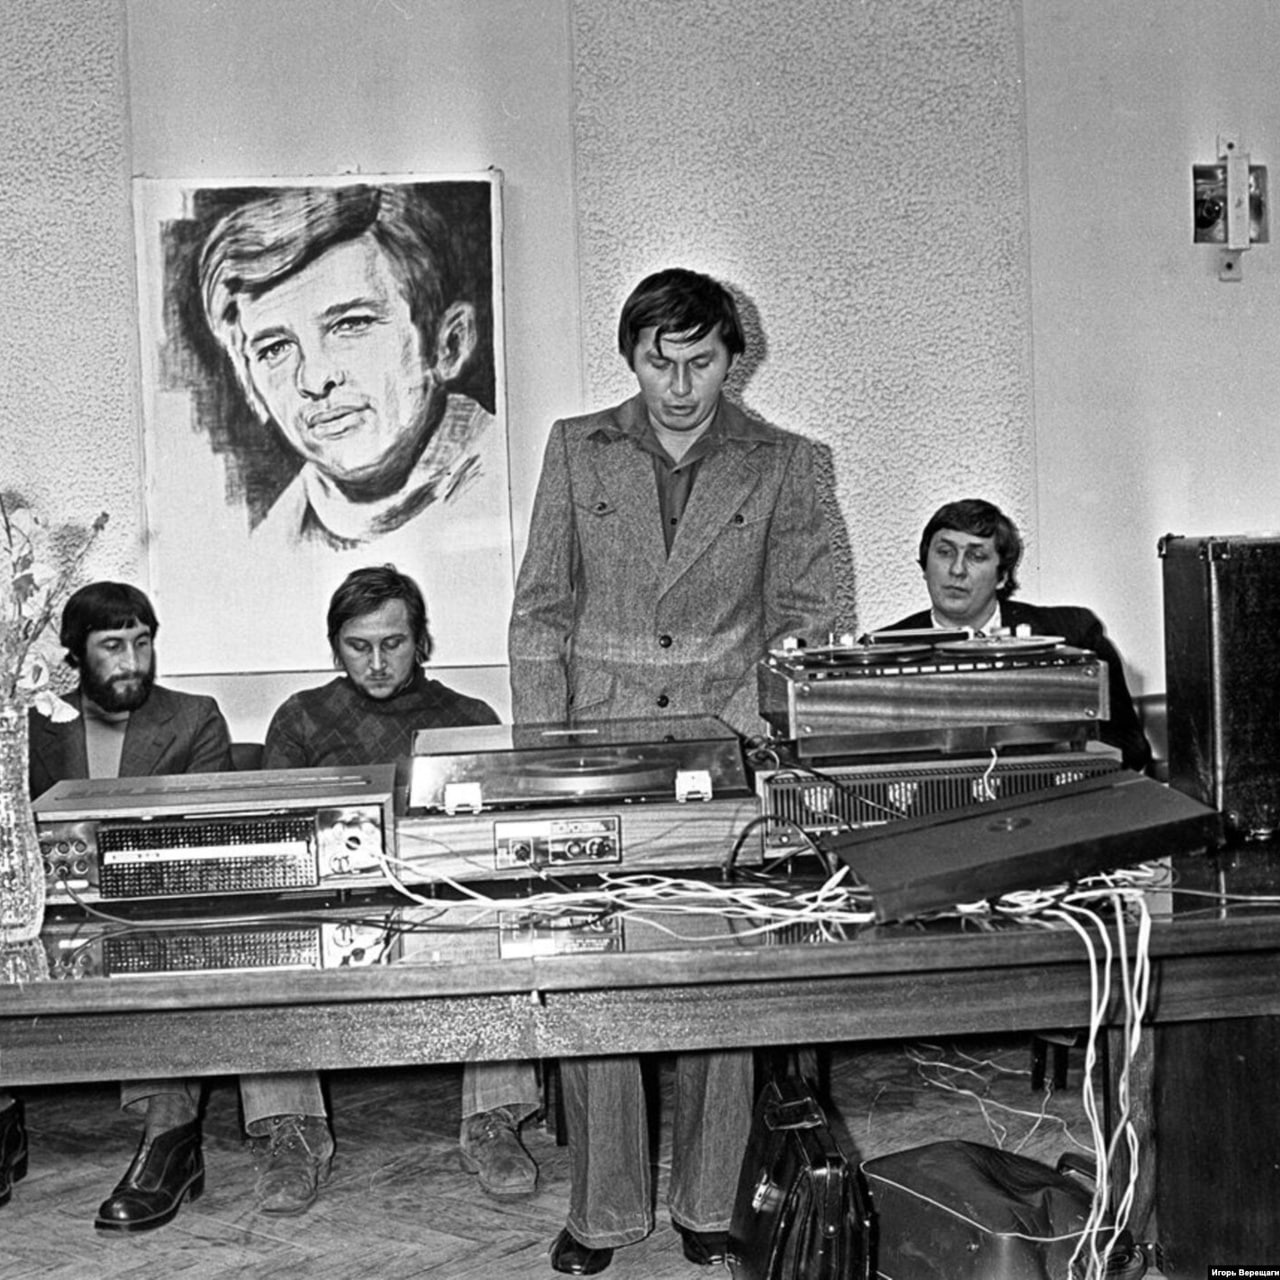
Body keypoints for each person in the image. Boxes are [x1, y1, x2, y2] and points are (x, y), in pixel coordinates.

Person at [508, 268, 837, 1274]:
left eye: (699, 361)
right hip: (594, 756)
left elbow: (809, 623)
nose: (678, 383)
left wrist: (746, 740)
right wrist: (540, 753)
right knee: (597, 975)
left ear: (734, 359)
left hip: (727, 754)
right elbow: (539, 612)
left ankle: (708, 1199)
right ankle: (603, 1211)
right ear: (631, 356)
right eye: (659, 360)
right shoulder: (575, 447)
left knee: (716, 986)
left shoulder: (790, 462)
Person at [261, 565, 544, 1201]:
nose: (378, 662)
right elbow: (279, 845)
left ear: (422, 642)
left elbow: (496, 843)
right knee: (268, 941)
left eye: (393, 643)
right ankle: (293, 1130)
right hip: (328, 909)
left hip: (444, 905)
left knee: (500, 930)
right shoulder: (301, 719)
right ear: (336, 646)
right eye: (359, 646)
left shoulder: (468, 717)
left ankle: (491, 1120)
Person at [17, 582, 232, 1232]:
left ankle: (170, 1139)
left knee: (176, 945)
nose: (133, 660)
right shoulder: (29, 727)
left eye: (143, 643)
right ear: (75, 655)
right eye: (113, 646)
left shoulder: (196, 718)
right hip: (47, 914)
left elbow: (206, 847)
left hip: (157, 910)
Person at [198, 183, 499, 553]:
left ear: (448, 344)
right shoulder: (258, 551)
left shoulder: (511, 483)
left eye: (351, 325)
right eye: (275, 348)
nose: (313, 379)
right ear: (250, 386)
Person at [880, 497, 1151, 772]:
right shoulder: (881, 650)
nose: (957, 570)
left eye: (976, 556)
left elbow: (1130, 748)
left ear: (1002, 576)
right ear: (925, 564)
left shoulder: (1074, 633)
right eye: (945, 552)